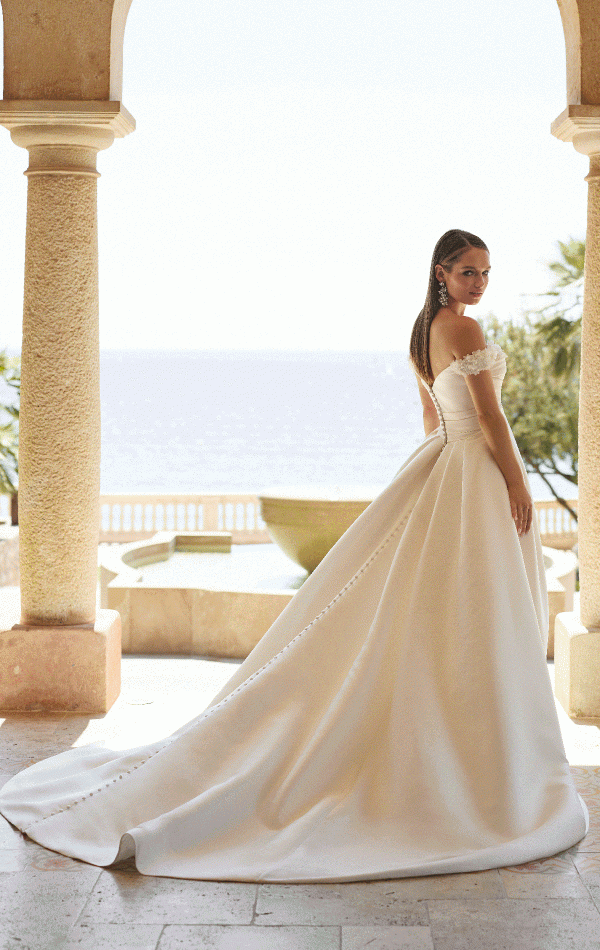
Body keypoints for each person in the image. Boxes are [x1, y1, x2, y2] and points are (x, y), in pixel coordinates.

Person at [0, 229, 588, 882]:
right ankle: (485, 759)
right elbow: (492, 418)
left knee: (448, 610)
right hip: (473, 471)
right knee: (474, 612)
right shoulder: (466, 332)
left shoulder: (422, 332)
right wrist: (514, 481)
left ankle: (465, 744)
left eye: (485, 272)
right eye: (468, 272)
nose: (479, 283)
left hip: (445, 463)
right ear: (442, 273)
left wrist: (433, 473)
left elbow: (430, 419)